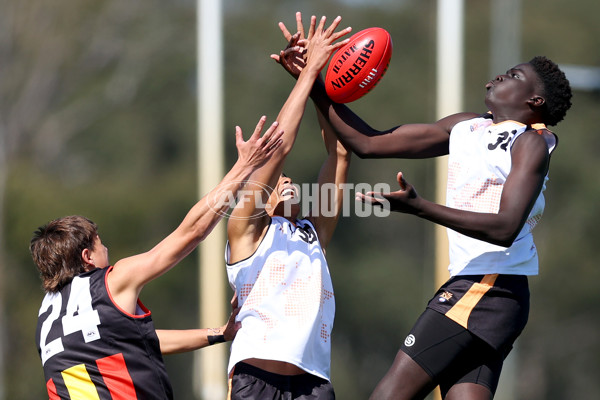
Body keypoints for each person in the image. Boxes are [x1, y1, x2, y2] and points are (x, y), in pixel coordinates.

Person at [277, 12, 573, 400]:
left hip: (487, 287)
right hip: (484, 292)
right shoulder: (467, 126)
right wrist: (310, 79)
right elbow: (368, 144)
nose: (501, 76)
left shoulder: (530, 142)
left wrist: (421, 207)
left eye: (515, 76)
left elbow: (504, 229)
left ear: (535, 101)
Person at [32, 118, 284, 399]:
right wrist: (245, 167)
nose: (108, 249)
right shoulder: (111, 281)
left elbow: (140, 341)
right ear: (87, 256)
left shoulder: (47, 318)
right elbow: (191, 233)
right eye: (101, 243)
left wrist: (218, 334)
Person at [225, 15, 351, 400]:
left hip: (313, 382)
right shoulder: (244, 233)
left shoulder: (314, 234)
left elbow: (340, 152)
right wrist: (308, 70)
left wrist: (319, 85)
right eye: (278, 180)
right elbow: (279, 146)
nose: (288, 180)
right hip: (256, 378)